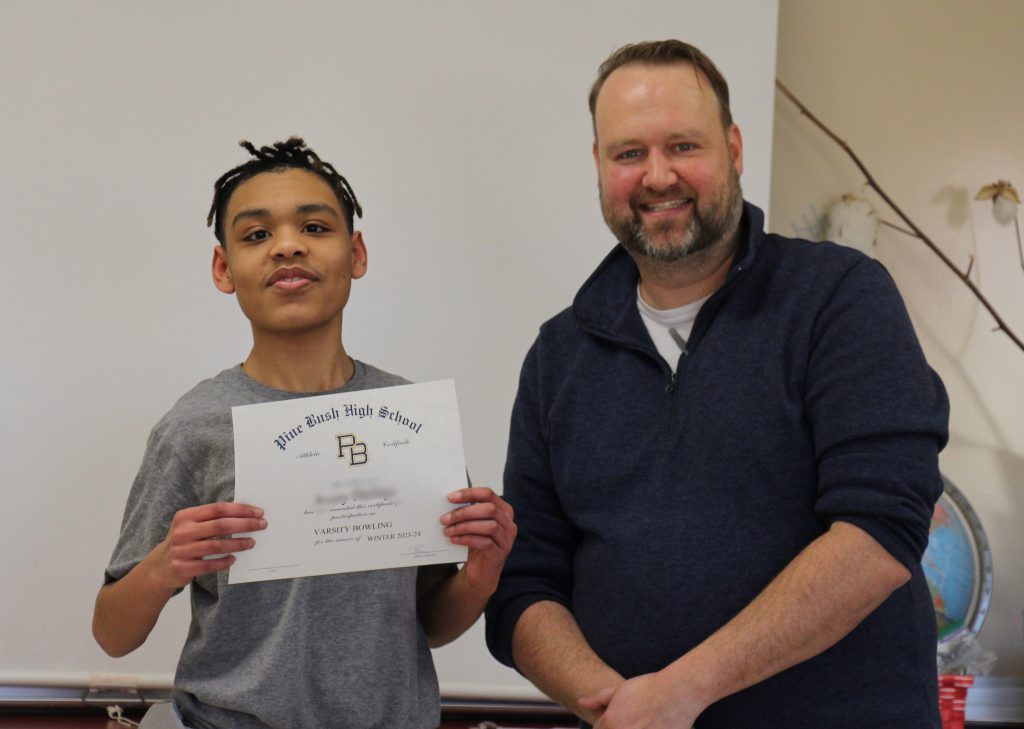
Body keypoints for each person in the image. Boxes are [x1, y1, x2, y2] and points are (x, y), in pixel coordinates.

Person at [484, 40, 948, 729]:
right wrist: (620, 705)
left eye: (683, 145)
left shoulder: (840, 298)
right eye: (629, 153)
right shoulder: (558, 354)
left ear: (733, 148)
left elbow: (881, 530)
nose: (657, 175)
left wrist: (683, 690)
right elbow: (525, 584)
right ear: (599, 166)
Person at [92, 137, 516, 729]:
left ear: (357, 253)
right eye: (256, 235)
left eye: (315, 227)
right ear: (223, 268)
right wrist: (166, 565)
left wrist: (480, 576)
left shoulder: (411, 421)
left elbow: (428, 621)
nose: (287, 246)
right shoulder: (194, 427)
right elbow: (112, 634)